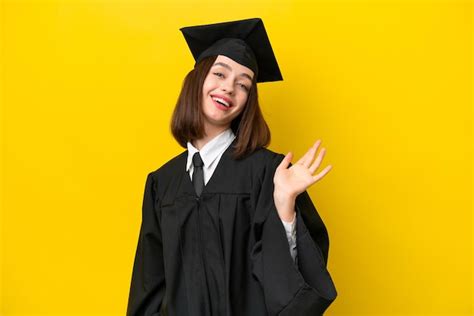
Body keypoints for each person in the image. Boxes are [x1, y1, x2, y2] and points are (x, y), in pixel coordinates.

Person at [126, 17, 337, 316]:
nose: (228, 89)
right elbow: (148, 284)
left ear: (248, 101)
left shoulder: (269, 173)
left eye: (243, 85)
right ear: (197, 80)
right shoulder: (162, 183)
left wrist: (284, 209)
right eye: (220, 74)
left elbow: (292, 287)